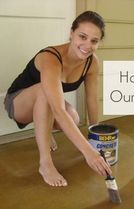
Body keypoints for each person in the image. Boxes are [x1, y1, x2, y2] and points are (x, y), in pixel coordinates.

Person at [4, 11, 112, 187]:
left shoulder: (92, 62)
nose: (87, 45)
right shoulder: (51, 58)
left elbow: (91, 100)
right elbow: (58, 110)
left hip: (46, 103)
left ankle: (44, 130)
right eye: (82, 37)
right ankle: (45, 163)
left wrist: (96, 138)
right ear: (71, 33)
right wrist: (88, 151)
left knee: (74, 118)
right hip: (18, 102)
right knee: (44, 93)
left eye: (94, 41)